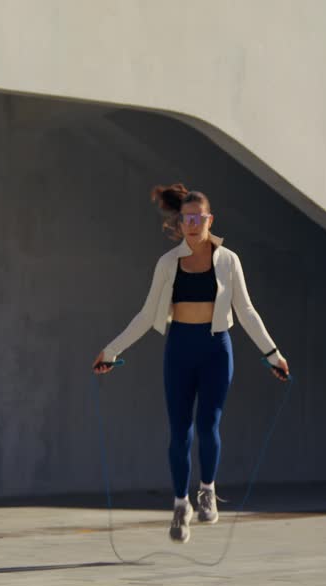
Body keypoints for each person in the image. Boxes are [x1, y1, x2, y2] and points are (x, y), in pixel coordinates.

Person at [93, 183, 289, 543]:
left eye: (199, 218)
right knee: (179, 431)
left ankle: (207, 490)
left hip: (217, 349)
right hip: (180, 348)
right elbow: (146, 313)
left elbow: (245, 310)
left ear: (209, 219)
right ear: (180, 223)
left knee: (208, 425)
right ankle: (180, 503)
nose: (193, 224)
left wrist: (272, 354)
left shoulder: (228, 260)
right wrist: (112, 351)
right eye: (186, 219)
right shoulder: (168, 263)